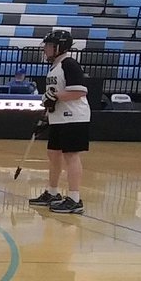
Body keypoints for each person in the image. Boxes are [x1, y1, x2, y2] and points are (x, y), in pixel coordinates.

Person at [29, 30, 90, 215]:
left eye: (48, 46)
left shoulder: (69, 64)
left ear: (59, 47)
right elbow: (55, 96)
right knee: (53, 154)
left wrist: (53, 96)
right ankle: (53, 192)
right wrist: (45, 116)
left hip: (74, 117)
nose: (45, 49)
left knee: (71, 156)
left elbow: (79, 92)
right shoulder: (55, 67)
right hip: (58, 118)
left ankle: (74, 198)